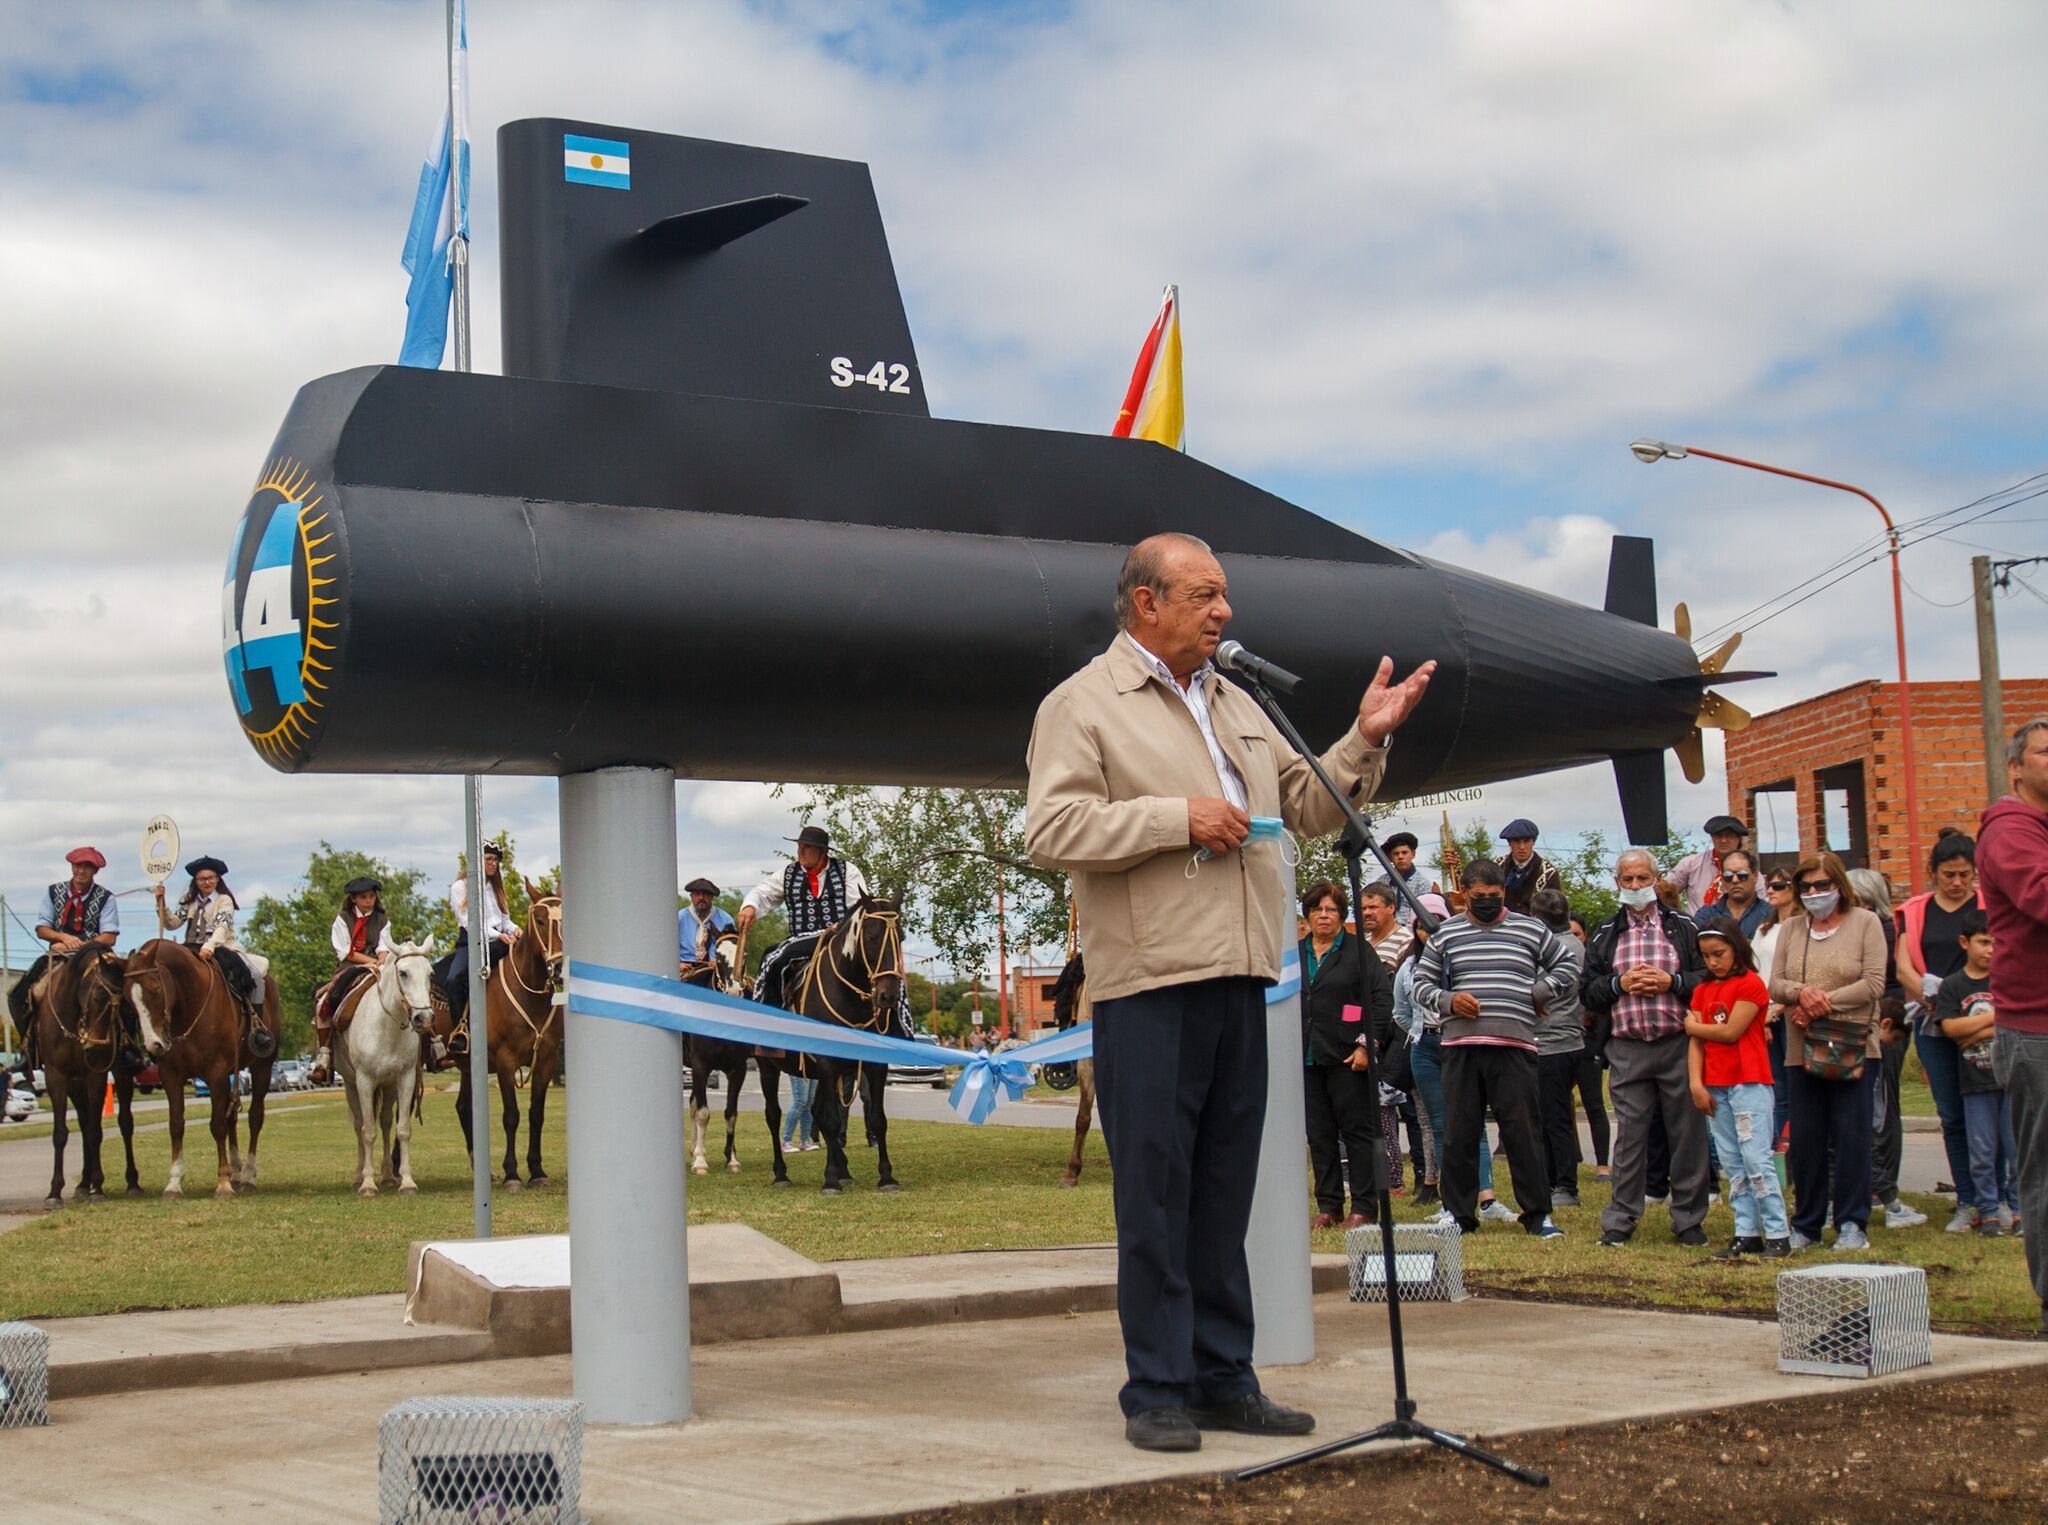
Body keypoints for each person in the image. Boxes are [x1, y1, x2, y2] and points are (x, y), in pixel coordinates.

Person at [1023, 531, 1432, 1452]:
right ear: (1146, 604)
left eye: (1225, 595)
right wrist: (1176, 818)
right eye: (1205, 595)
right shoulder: (1082, 704)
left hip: (1246, 976)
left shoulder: (1235, 701)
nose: (1225, 611)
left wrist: (1365, 736)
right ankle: (1157, 1387)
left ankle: (1223, 1377)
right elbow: (1051, 825)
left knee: (1223, 1190)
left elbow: (1310, 804)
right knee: (1158, 1194)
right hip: (1150, 984)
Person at [1412, 857, 1573, 1238]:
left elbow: (1567, 966)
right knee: (1460, 1131)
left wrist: (1538, 991)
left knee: (1523, 1132)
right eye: (1479, 896)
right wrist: (1450, 1001)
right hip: (1461, 1044)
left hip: (1514, 1044)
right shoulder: (1445, 935)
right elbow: (1421, 984)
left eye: (1494, 895)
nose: (1487, 901)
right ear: (1463, 894)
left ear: (1504, 893)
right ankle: (1459, 1213)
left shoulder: (1530, 929)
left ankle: (1537, 1214)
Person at [1584, 847, 1713, 1247]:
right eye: (1629, 880)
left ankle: (1689, 1220)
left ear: (1656, 880)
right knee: (1630, 1138)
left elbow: (1706, 978)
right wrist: (1619, 984)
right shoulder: (1605, 933)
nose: (1637, 886)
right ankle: (1620, 1220)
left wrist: (1670, 983)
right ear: (1617, 882)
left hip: (1679, 1043)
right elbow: (1587, 992)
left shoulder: (1684, 927)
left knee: (1687, 1134)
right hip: (1627, 1047)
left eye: (1643, 879)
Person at [1768, 852, 1887, 1251]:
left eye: (1823, 885)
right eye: (1807, 887)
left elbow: (1873, 983)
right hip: (1802, 1046)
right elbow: (1777, 984)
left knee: (1852, 1135)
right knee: (1806, 1137)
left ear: (1839, 884)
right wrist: (1802, 993)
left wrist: (1824, 1001)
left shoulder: (1865, 923)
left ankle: (1853, 1222)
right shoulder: (1792, 929)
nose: (1815, 893)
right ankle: (1807, 1223)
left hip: (1852, 1045)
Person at [1979, 717, 2048, 1330]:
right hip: (2038, 1029)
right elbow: (2041, 896)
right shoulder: (2010, 832)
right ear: (2018, 768)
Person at [1895, 829, 1986, 1234]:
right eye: (1949, 875)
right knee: (1951, 1115)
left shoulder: (1990, 907)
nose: (1957, 882)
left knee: (1991, 1110)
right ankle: (1966, 1199)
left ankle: (1999, 1196)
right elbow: (1902, 967)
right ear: (1933, 873)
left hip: (1984, 1022)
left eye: (1965, 874)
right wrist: (1932, 996)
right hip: (1933, 1021)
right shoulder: (1916, 911)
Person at [1683, 921, 1789, 1258]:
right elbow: (1696, 1043)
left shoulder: (1751, 985)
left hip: (1749, 1081)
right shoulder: (1701, 991)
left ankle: (1778, 1233)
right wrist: (1696, 1083)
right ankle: (1746, 1230)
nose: (1713, 962)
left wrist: (1691, 1025)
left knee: (1756, 1157)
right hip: (1717, 1085)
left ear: (1737, 950)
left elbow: (1731, 1031)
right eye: (1706, 956)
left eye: (1719, 954)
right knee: (1731, 1161)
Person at [1298, 880, 1391, 1230]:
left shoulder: (1358, 951)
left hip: (1349, 1057)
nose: (1324, 916)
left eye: (1331, 910)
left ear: (1341, 916)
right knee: (1319, 1136)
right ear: (1306, 914)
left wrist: (1367, 1044)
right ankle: (1329, 1206)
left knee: (1357, 1132)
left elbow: (1381, 1001)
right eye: (1318, 909)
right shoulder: (1296, 952)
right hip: (1308, 1056)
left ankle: (1365, 1206)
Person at [1848, 867, 1926, 1229]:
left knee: (1881, 1109)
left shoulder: (1881, 928)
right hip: (1861, 1023)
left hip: (1885, 1026)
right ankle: (1871, 1185)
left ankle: (1884, 1186)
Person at [10, 846, 122, 1083]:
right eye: (77, 866)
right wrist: (61, 938)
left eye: (87, 867)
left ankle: (128, 1048)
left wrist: (82, 945)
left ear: (95, 871)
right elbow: (42, 928)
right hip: (59, 956)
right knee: (20, 993)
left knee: (124, 989)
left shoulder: (106, 897)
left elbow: (109, 936)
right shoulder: (53, 892)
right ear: (71, 867)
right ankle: (29, 1049)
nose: (81, 871)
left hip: (95, 956)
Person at [1936, 910, 2010, 1236]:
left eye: (1996, 943)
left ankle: (2015, 1208)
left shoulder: (2009, 979)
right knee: (1981, 1150)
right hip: (1975, 1081)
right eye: (1983, 942)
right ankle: (1987, 1209)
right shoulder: (1953, 985)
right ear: (1965, 942)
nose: (1991, 950)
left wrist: (1975, 1033)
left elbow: (2015, 1022)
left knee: (2014, 1147)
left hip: (2010, 1079)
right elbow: (1951, 1027)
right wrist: (1995, 1019)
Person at [739, 825, 873, 1006]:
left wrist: (842, 926)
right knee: (772, 957)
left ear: (823, 851)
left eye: (807, 847)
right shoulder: (788, 874)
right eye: (799, 846)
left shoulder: (847, 871)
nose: (801, 851)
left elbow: (859, 908)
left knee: (886, 968)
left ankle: (899, 1028)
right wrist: (750, 906)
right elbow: (764, 892)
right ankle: (769, 1014)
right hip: (800, 940)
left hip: (839, 938)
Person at [1528, 888, 1588, 1209]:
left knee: (1556, 1118)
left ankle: (1565, 1185)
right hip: (1547, 1039)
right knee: (1544, 1117)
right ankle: (1551, 1179)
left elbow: (1537, 990)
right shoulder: (1563, 944)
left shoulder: (1565, 948)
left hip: (1557, 1041)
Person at [1394, 893, 1451, 1208]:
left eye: (1435, 924)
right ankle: (1433, 1181)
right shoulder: (1410, 966)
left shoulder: (1458, 959)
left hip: (1457, 1043)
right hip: (1424, 1045)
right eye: (1421, 926)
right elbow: (1400, 1011)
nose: (1428, 933)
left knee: (1462, 1117)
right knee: (1429, 1120)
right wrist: (1419, 1031)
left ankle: (1480, 1190)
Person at [311, 876, 396, 1082]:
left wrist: (381, 962)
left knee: (404, 992)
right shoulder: (342, 919)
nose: (369, 901)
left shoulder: (382, 921)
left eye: (372, 896)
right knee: (325, 1002)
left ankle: (430, 1046)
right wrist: (370, 962)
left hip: (378, 966)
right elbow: (345, 951)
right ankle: (324, 1056)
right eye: (364, 897)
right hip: (350, 967)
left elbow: (384, 946)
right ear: (354, 899)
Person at [155, 856, 262, 1009]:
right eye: (201, 879)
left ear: (217, 879)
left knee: (255, 976)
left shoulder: (224, 900)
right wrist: (161, 903)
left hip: (221, 947)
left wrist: (209, 946)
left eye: (210, 878)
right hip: (191, 947)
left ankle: (255, 1021)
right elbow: (172, 923)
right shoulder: (188, 900)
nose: (206, 882)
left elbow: (222, 927)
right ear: (196, 881)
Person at [444, 842, 520, 1029]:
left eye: (495, 860)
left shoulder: (497, 888)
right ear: (477, 862)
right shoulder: (459, 887)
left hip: (499, 943)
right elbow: (470, 924)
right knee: (453, 979)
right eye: (489, 859)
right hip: (472, 943)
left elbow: (505, 921)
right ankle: (460, 1029)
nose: (493, 864)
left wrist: (516, 930)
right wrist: (499, 936)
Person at [1665, 815, 1750, 916]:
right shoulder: (1691, 864)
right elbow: (1664, 891)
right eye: (1718, 836)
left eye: (1729, 835)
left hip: (1734, 928)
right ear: (1712, 838)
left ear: (1738, 839)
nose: (1723, 840)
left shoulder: (1749, 871)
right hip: (1696, 927)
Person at [1697, 848, 1770, 937]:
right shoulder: (1706, 915)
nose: (1735, 880)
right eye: (1728, 876)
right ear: (1722, 880)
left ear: (1755, 876)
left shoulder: (1770, 914)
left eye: (1742, 875)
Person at [1498, 819, 1564, 916]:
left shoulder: (1548, 874)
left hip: (1536, 928)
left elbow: (1556, 911)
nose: (1522, 847)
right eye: (1517, 841)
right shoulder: (1496, 867)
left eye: (1526, 841)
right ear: (1509, 843)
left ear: (1533, 842)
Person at [1377, 833, 1438, 928]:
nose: (1400, 857)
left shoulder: (1422, 882)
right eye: (1396, 854)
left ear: (1413, 854)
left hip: (1411, 932)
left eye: (1404, 853)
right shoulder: (1382, 882)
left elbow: (1425, 914)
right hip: (1385, 929)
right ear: (1390, 858)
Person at [679, 877, 736, 966]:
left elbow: (732, 949)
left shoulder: (726, 920)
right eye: (697, 894)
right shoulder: (679, 918)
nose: (701, 897)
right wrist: (677, 964)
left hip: (716, 968)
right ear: (691, 896)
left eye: (705, 894)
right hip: (684, 968)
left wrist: (719, 960)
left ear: (712, 897)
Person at [1356, 882, 1412, 968]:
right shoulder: (1363, 941)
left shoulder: (1406, 942)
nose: (1366, 913)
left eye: (1373, 907)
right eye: (1363, 908)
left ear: (1391, 908)